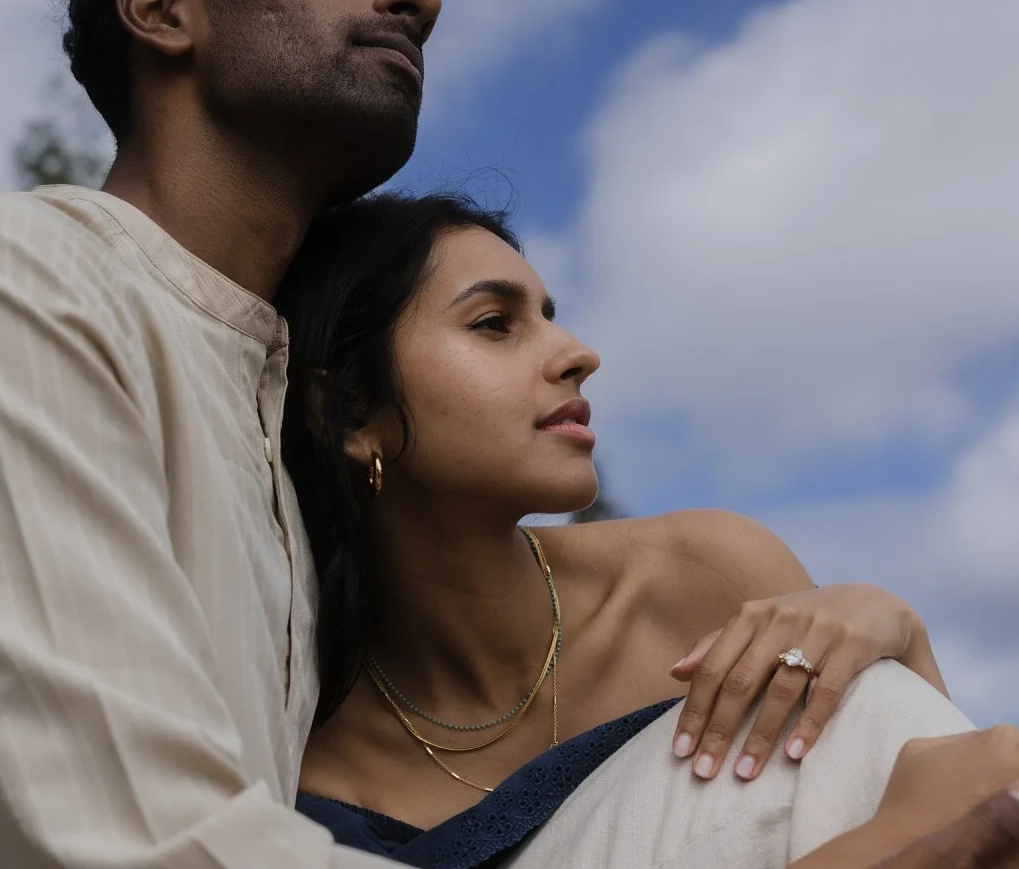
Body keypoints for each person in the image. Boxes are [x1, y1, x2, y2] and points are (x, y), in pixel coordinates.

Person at [0, 0, 1019, 867]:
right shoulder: (2, 283)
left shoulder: (267, 427)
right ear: (164, 12)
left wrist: (877, 621)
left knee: (886, 730)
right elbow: (126, 848)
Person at [275, 190, 1016, 866]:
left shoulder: (706, 575)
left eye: (549, 316)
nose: (577, 355)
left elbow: (937, 785)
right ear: (349, 413)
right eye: (494, 324)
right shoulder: (290, 733)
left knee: (866, 692)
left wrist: (902, 632)